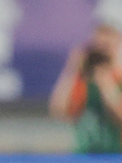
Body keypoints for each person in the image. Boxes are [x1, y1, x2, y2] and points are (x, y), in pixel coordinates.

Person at [49, 22, 122, 154]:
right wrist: (72, 68)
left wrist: (106, 85)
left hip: (116, 156)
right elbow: (60, 111)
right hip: (85, 156)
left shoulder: (118, 79)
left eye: (107, 47)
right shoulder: (82, 81)